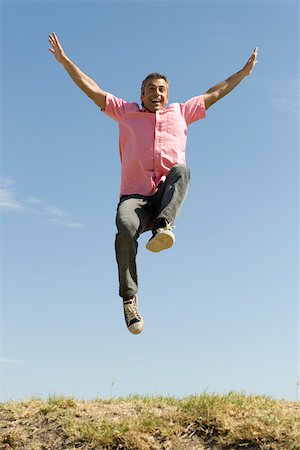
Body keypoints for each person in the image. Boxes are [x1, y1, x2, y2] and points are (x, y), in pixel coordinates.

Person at [49, 33, 258, 335]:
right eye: (151, 89)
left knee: (182, 171)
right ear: (142, 93)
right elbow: (92, 89)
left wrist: (243, 72)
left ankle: (163, 227)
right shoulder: (125, 112)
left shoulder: (182, 113)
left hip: (164, 199)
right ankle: (130, 300)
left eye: (162, 89)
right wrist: (66, 61)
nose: (157, 93)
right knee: (124, 226)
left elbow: (217, 91)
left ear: (167, 94)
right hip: (135, 199)